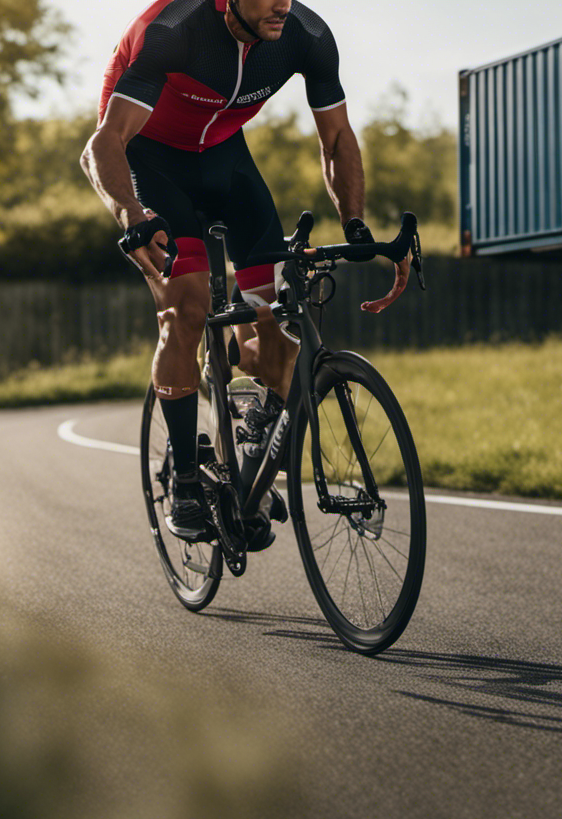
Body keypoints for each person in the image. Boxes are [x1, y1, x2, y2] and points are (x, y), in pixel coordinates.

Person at [81, 0, 410, 540]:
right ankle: (186, 480)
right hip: (149, 162)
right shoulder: (172, 31)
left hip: (226, 162)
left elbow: (337, 139)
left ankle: (250, 464)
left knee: (281, 342)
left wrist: (356, 230)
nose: (282, 2)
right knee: (187, 309)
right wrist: (132, 216)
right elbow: (103, 144)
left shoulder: (306, 34)